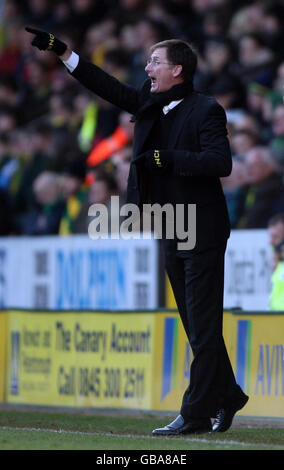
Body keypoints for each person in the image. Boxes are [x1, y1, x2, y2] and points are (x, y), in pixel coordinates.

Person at [25, 26, 249, 434]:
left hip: (202, 227)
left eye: (155, 62)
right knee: (195, 324)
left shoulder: (206, 109)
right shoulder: (149, 101)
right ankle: (228, 394)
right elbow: (106, 86)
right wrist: (63, 52)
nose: (146, 67)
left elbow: (221, 163)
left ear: (177, 70)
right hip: (169, 224)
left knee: (203, 324)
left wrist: (170, 158)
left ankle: (196, 413)